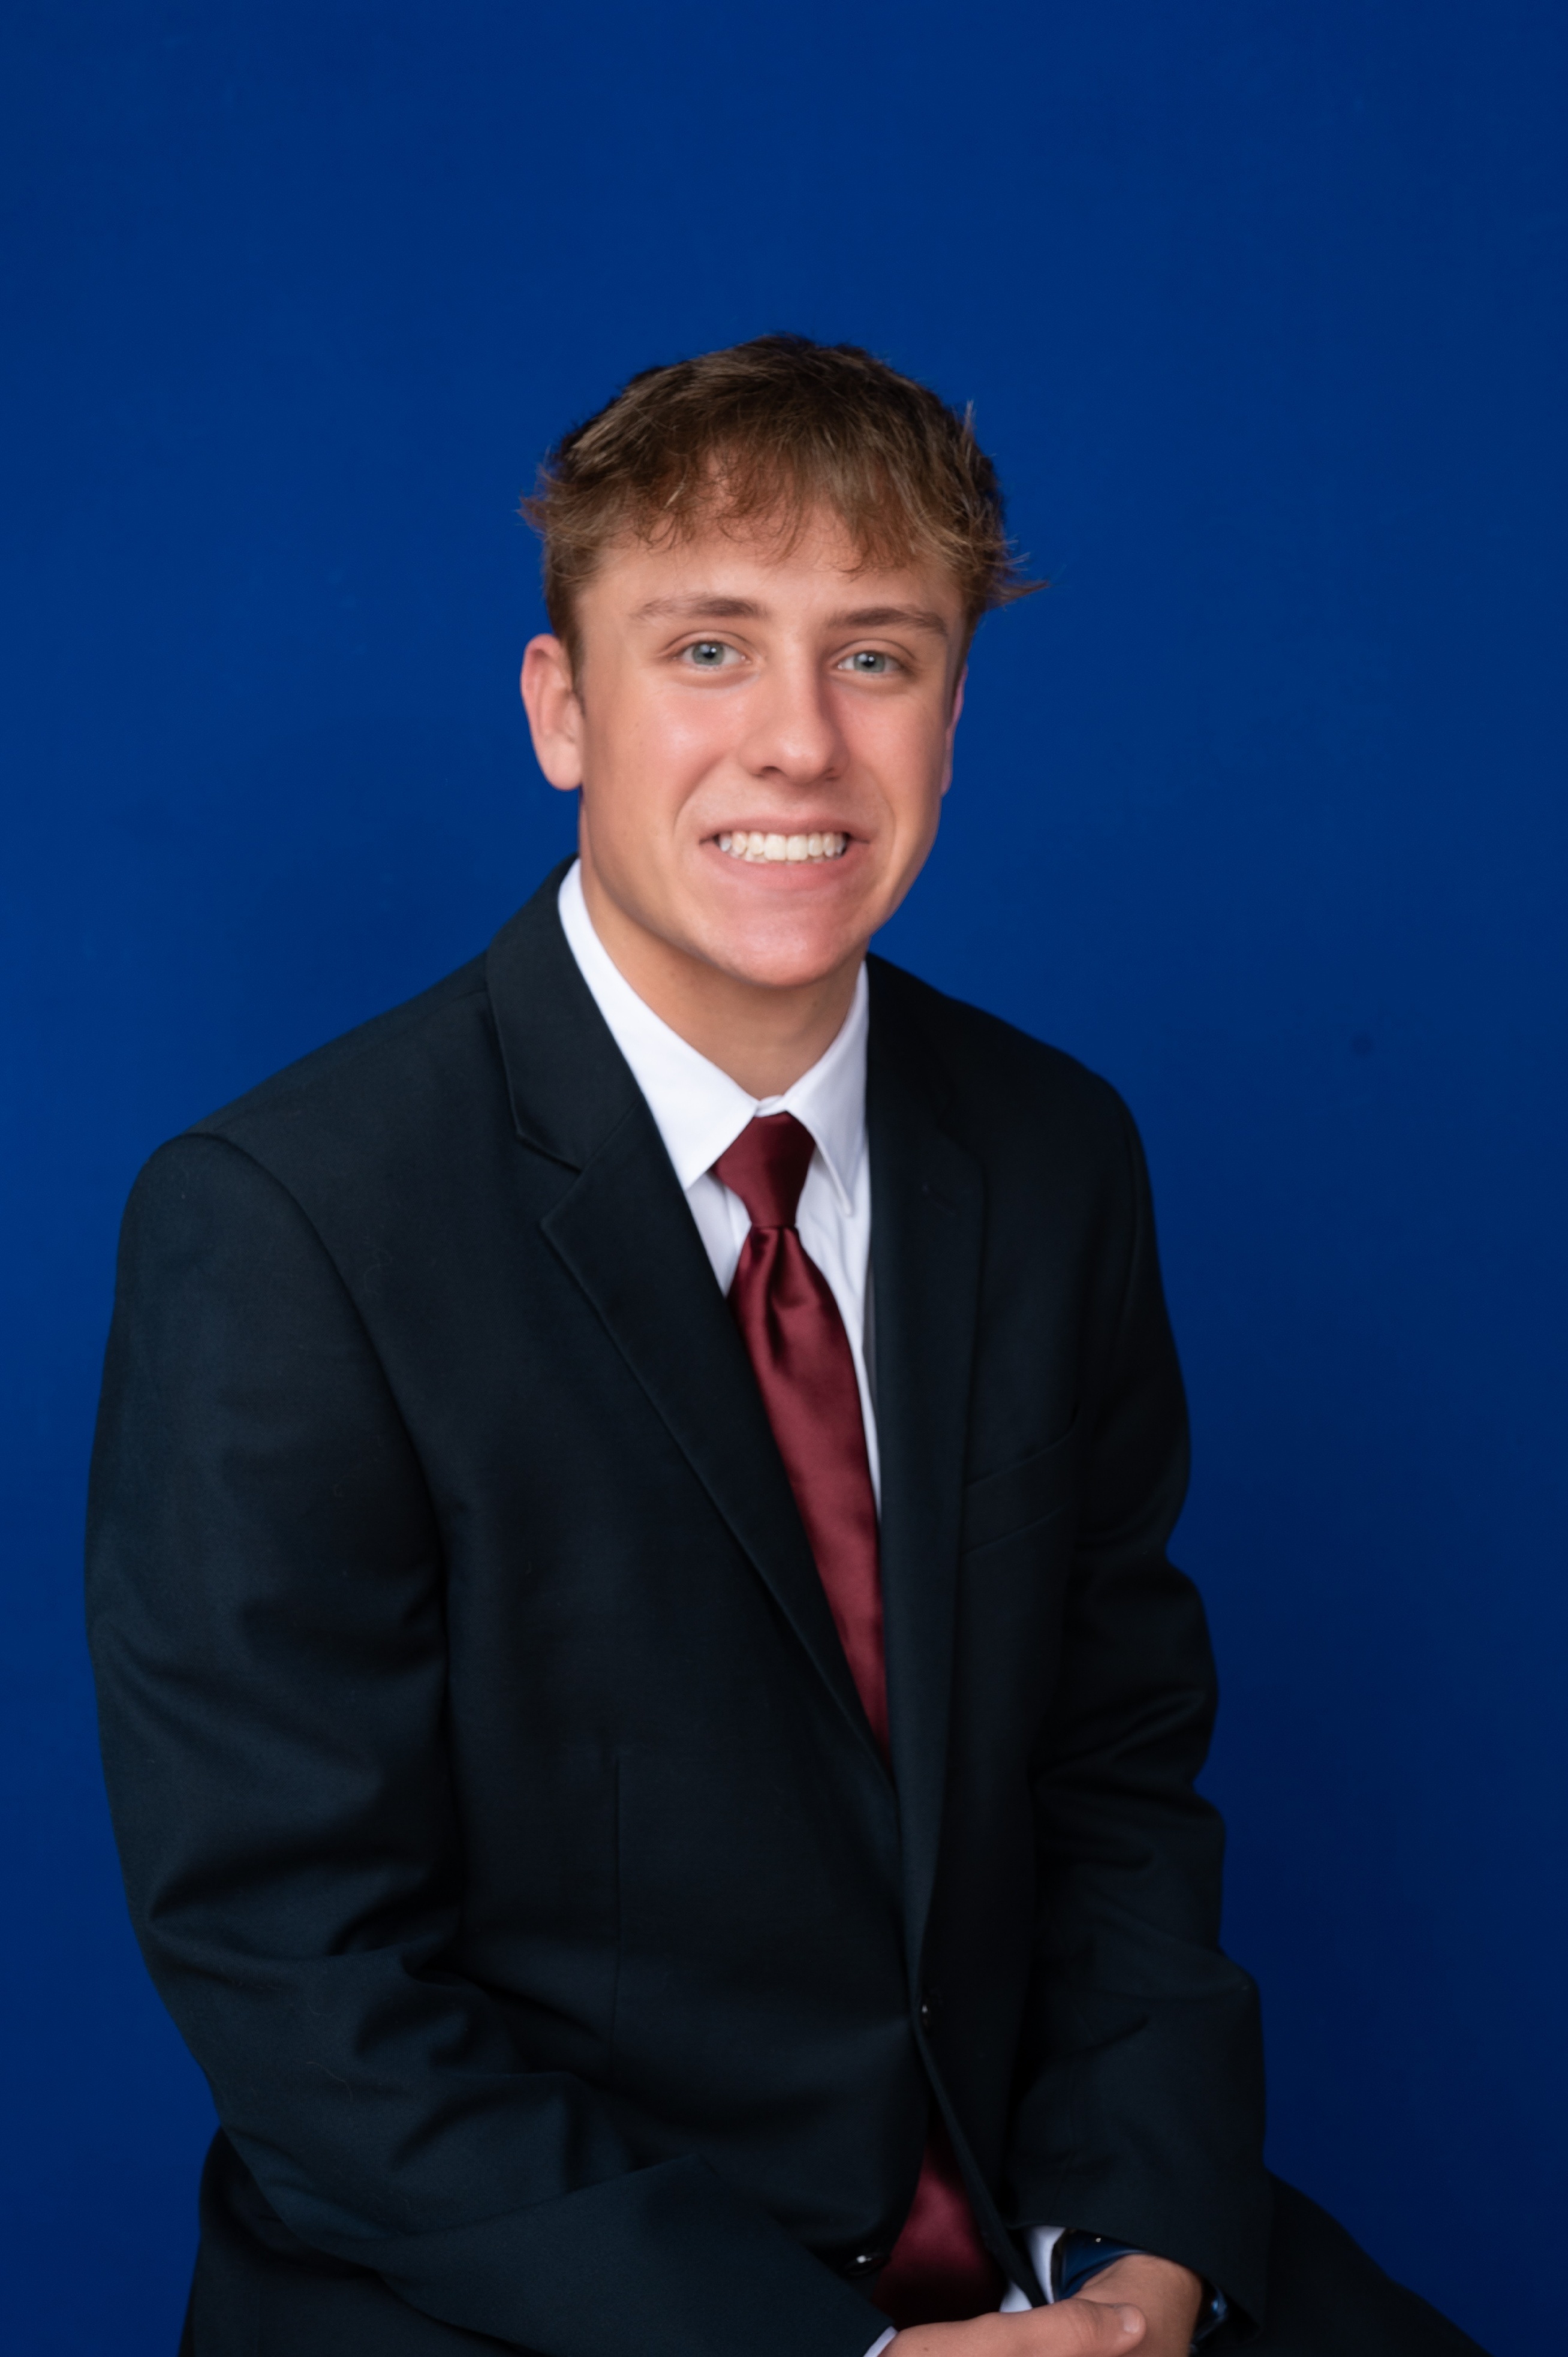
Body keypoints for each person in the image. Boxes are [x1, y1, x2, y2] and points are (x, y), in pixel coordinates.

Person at [87, 336, 1484, 2356]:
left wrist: (1137, 2263)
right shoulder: (284, 1223)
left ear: (952, 718)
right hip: (545, 2286)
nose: (800, 745)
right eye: (710, 650)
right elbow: (301, 1976)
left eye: (877, 657)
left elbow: (1116, 1783)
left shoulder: (1054, 1154)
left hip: (1036, 2221)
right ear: (562, 709)